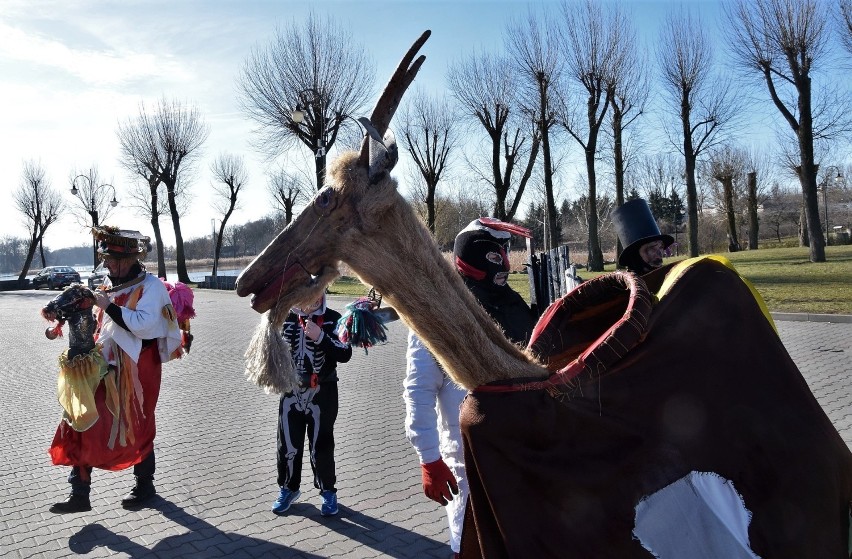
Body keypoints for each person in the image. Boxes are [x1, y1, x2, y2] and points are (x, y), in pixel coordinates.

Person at [403, 218, 535, 557]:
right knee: (473, 545)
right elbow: (418, 390)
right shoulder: (438, 312)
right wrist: (429, 458)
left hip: (522, 452)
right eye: (493, 256)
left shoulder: (513, 304)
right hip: (469, 460)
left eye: (505, 253)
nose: (504, 263)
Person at [49, 226, 184, 513]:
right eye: (106, 258)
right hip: (105, 363)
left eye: (111, 259)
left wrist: (107, 305)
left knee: (140, 423)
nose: (106, 263)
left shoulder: (151, 287)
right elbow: (101, 324)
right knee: (81, 417)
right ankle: (79, 494)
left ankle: (145, 487)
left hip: (140, 367)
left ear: (129, 260)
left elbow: (144, 324)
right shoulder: (109, 286)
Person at [272, 293, 352, 517]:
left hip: (322, 393)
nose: (311, 300)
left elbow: (345, 353)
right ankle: (288, 488)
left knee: (322, 447)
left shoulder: (333, 319)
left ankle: (328, 492)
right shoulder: (285, 318)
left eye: (316, 292)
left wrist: (321, 338)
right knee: (287, 446)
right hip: (291, 391)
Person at [612, 198, 674, 274]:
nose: (659, 253)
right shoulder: (625, 285)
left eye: (661, 247)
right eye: (652, 247)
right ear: (635, 254)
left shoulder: (671, 280)